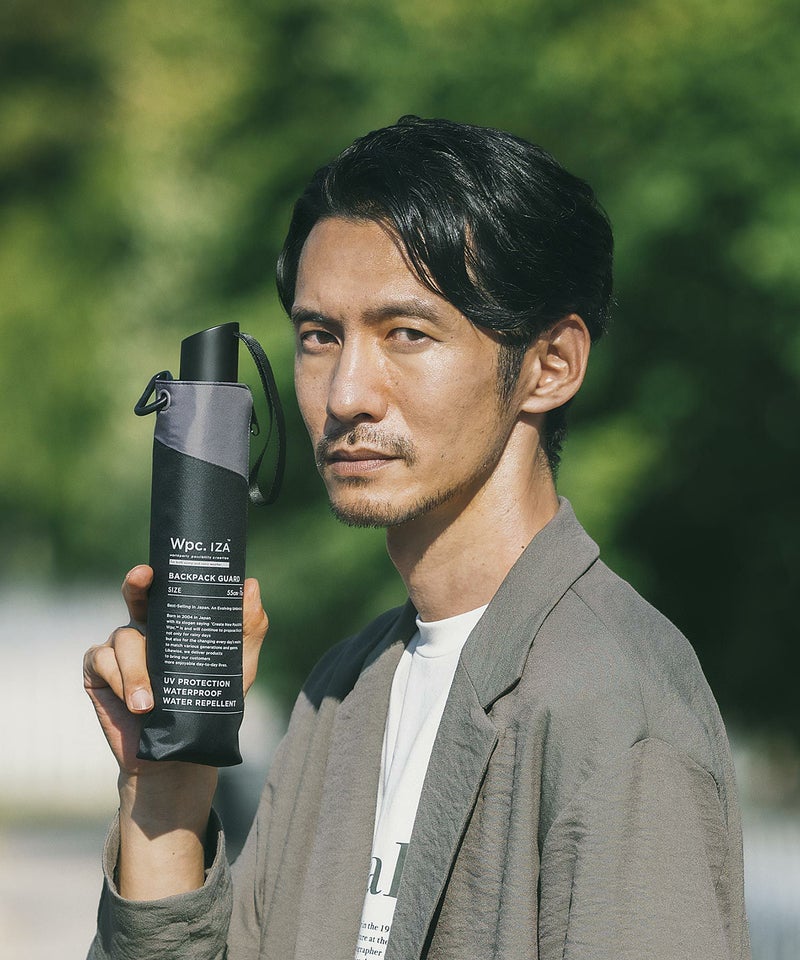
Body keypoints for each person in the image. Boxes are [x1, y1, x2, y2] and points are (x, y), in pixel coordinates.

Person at [84, 116, 751, 960]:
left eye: (407, 333)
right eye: (320, 337)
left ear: (551, 365)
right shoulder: (344, 693)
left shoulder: (613, 711)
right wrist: (166, 791)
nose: (346, 394)